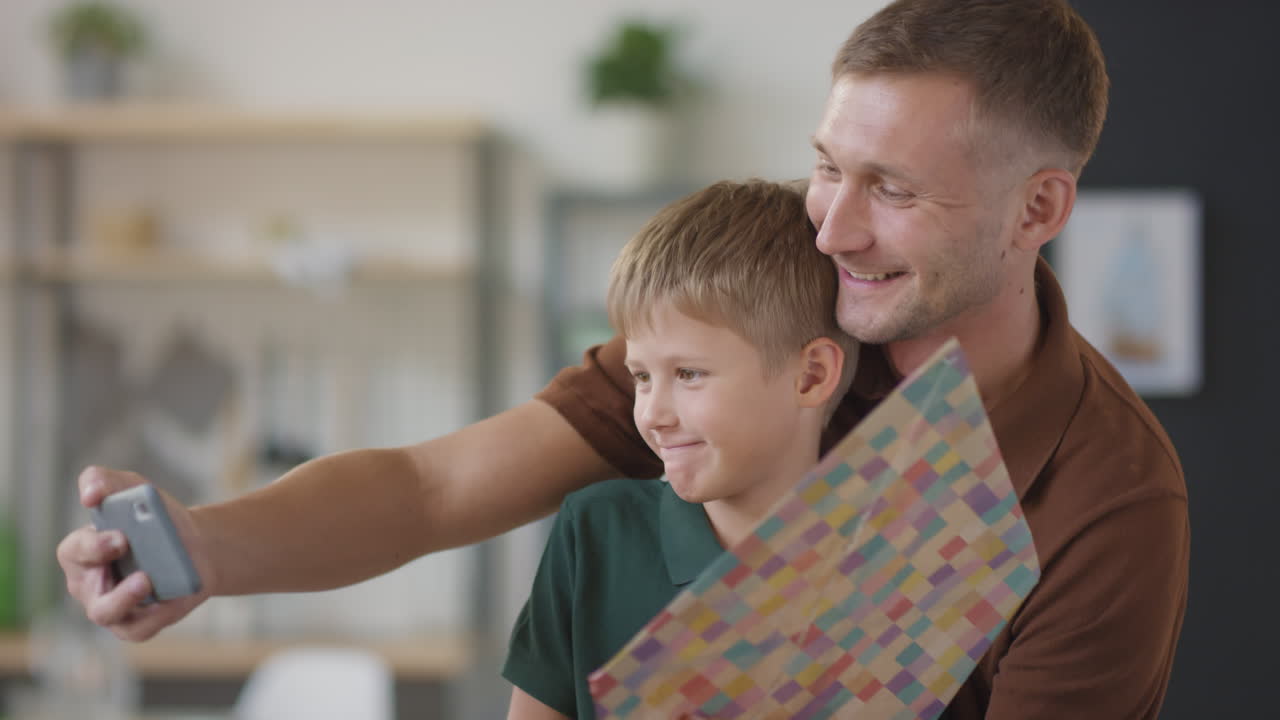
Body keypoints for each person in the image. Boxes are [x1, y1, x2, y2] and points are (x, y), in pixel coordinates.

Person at [57, 1, 1188, 717]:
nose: (834, 227)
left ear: (1038, 208)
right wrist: (208, 549)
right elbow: (434, 486)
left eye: (891, 189)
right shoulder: (760, 318)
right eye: (827, 167)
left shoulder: (1108, 504)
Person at [504, 180, 859, 720]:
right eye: (642, 377)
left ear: (811, 375)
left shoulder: (886, 556)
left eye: (689, 374)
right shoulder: (595, 534)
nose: (652, 414)